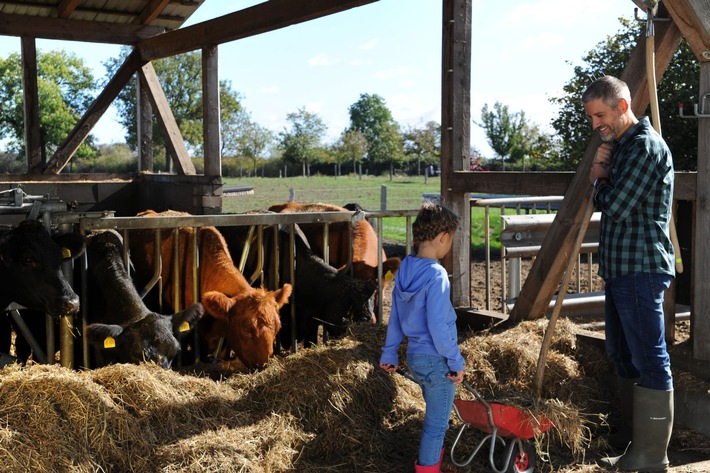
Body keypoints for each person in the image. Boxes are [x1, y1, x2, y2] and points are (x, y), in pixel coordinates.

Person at [584, 75, 675, 472]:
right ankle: (631, 441)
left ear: (622, 106)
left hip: (641, 268)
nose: (595, 124)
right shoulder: (622, 146)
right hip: (621, 268)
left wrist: (597, 181)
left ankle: (652, 457)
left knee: (650, 358)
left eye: (599, 115)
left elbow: (617, 206)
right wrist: (604, 169)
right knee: (622, 355)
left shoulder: (644, 147)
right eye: (590, 117)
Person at [379, 201, 465, 473]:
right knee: (437, 424)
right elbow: (439, 325)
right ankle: (428, 469)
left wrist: (390, 352)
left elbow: (395, 316)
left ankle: (431, 464)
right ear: (443, 238)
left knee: (435, 418)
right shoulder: (437, 274)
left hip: (415, 357)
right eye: (450, 240)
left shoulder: (405, 269)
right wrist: (455, 360)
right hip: (437, 359)